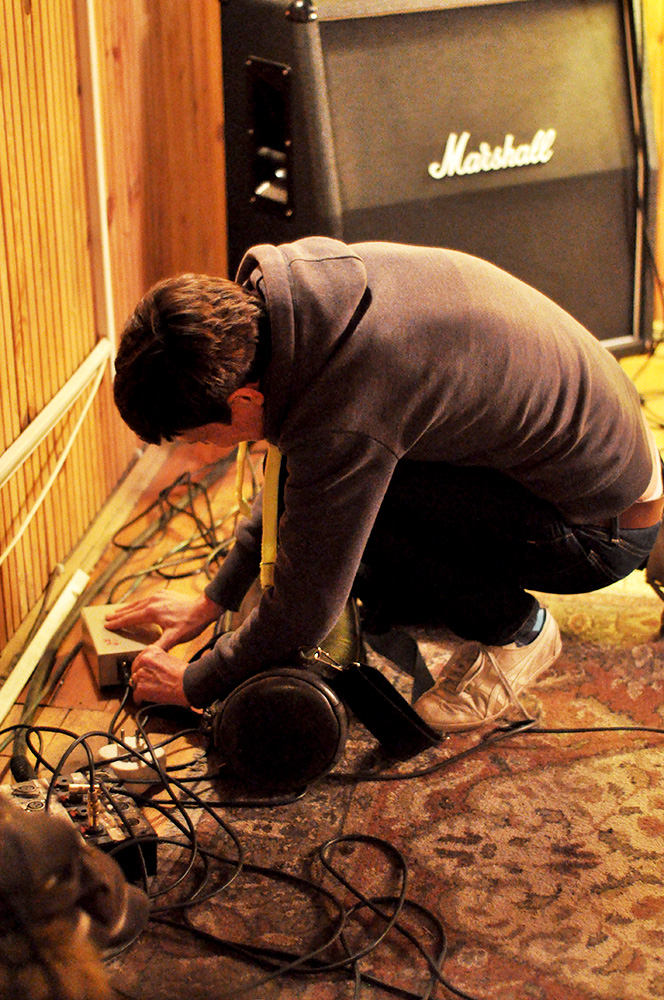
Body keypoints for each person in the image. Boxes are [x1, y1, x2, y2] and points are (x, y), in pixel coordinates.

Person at [106, 237, 663, 733]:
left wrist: (194, 681)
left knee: (362, 514)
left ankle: (518, 631)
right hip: (612, 465)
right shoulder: (299, 300)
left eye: (206, 436)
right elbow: (292, 476)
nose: (210, 448)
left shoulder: (346, 401)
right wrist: (214, 600)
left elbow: (304, 611)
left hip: (600, 533)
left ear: (245, 398)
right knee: (344, 498)